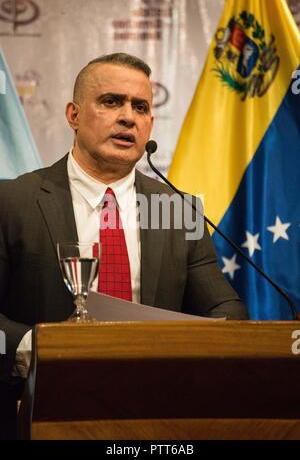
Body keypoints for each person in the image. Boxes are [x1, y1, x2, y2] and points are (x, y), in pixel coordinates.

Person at [0, 53, 248, 439]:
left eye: (141, 107)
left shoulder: (175, 208)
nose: (129, 117)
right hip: (41, 410)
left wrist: (196, 346)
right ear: (74, 114)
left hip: (160, 413)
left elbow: (224, 307)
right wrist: (40, 347)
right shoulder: (14, 201)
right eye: (111, 102)